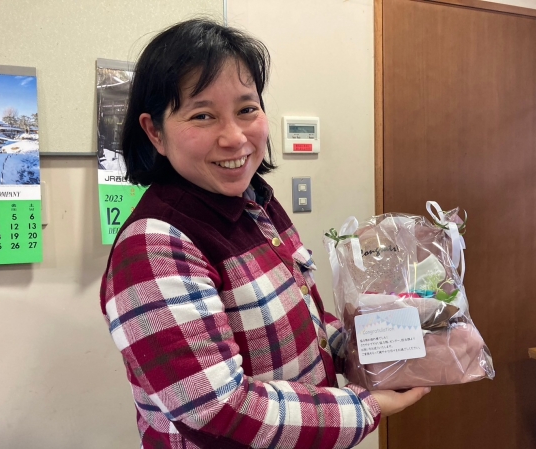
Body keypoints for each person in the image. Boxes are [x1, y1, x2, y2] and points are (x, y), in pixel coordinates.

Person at [100, 18, 430, 449]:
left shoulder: (254, 202)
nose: (235, 137)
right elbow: (218, 412)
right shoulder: (153, 246)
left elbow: (305, 320)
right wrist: (368, 406)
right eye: (203, 115)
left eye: (246, 109)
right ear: (154, 132)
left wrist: (385, 348)